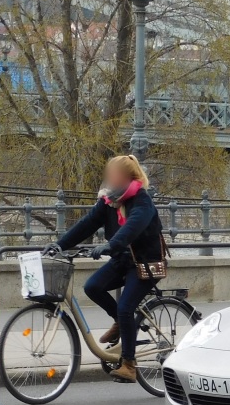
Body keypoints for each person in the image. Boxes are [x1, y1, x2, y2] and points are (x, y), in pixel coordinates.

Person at [45, 155, 164, 382]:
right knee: (93, 286)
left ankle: (129, 364)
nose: (109, 178)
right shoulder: (109, 201)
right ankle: (120, 322)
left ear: (128, 177)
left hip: (144, 264)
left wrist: (111, 244)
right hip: (122, 260)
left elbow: (133, 225)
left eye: (114, 174)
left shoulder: (142, 200)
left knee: (127, 306)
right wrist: (60, 244)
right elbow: (87, 224)